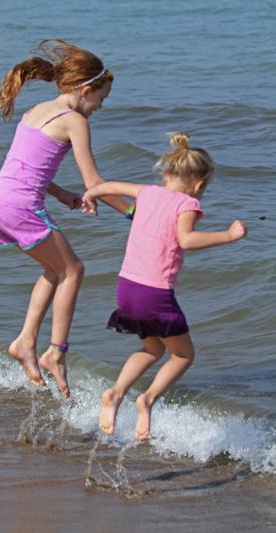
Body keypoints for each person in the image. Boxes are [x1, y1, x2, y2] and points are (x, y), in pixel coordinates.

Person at [0, 39, 130, 398]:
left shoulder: (37, 110)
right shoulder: (74, 121)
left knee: (54, 270)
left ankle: (25, 342)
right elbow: (95, 182)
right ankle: (55, 353)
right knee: (74, 270)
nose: (100, 107)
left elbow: (26, 166)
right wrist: (133, 211)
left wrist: (62, 194)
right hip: (20, 207)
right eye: (101, 98)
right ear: (85, 90)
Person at [82, 132, 247, 439]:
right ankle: (148, 399)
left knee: (152, 347)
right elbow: (186, 240)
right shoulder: (186, 204)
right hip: (155, 292)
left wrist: (91, 197)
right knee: (183, 355)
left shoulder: (145, 192)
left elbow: (105, 187)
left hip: (127, 286)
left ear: (168, 173)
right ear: (199, 185)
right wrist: (229, 235)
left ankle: (115, 394)